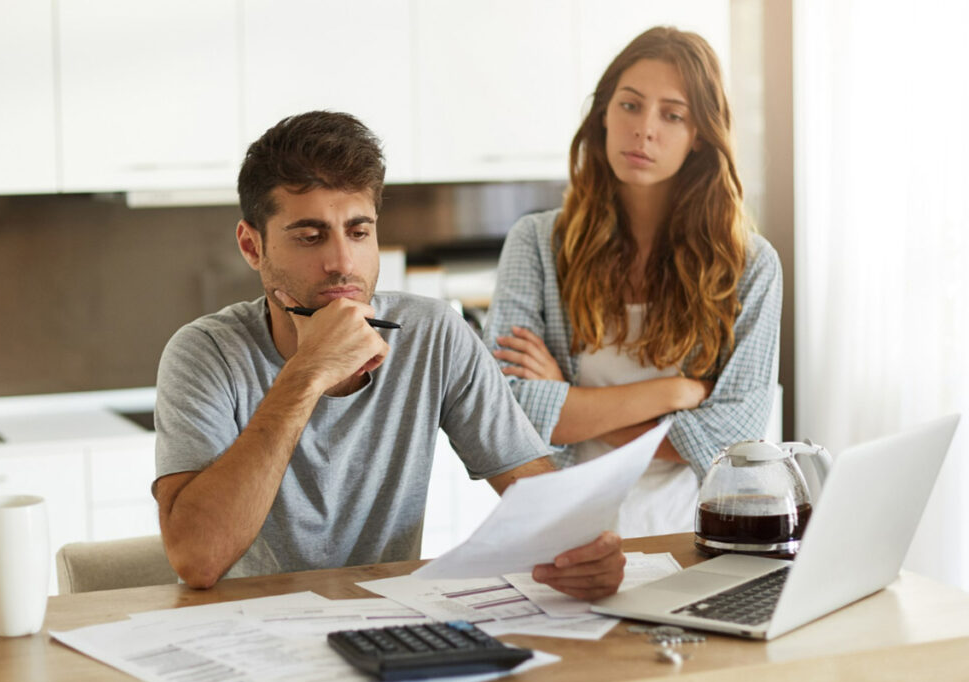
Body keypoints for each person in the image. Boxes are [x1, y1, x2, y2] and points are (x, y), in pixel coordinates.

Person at [152, 110, 626, 600]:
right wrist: (308, 372)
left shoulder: (433, 334)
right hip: (247, 632)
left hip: (388, 621)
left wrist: (586, 550)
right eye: (310, 237)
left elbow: (537, 497)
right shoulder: (204, 353)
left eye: (358, 232)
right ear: (252, 246)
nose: (342, 263)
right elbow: (197, 559)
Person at [484, 27, 782, 538]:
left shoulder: (748, 265)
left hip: (694, 534)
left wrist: (566, 398)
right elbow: (504, 413)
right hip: (564, 532)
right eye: (630, 105)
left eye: (672, 114)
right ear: (603, 113)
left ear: (700, 136)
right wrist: (675, 391)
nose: (644, 129)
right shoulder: (535, 242)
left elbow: (730, 445)